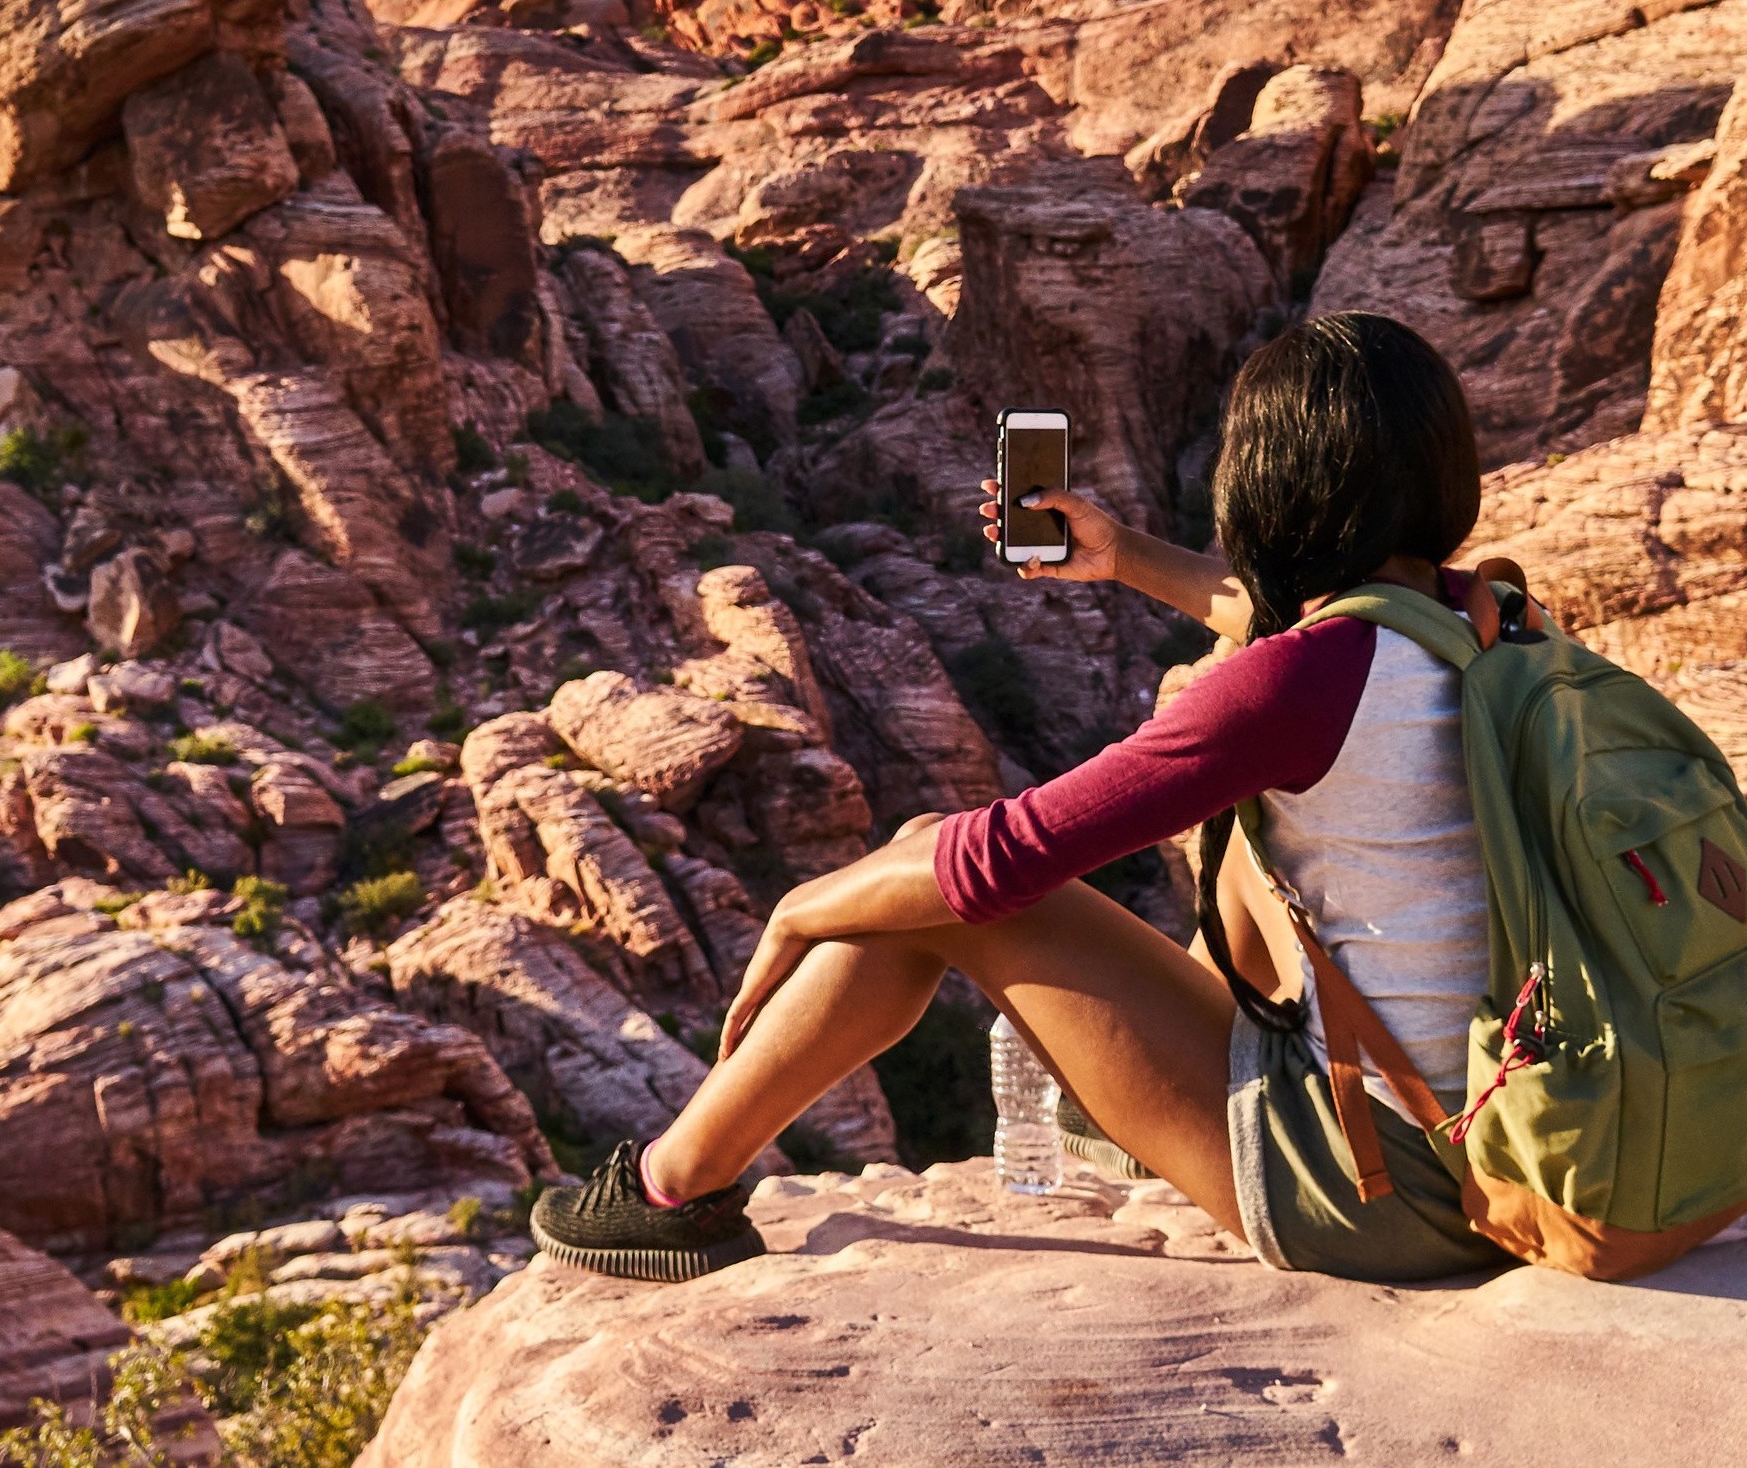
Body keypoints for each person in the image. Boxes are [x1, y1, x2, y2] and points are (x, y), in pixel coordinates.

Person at [527, 311, 1509, 1284]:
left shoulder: (1291, 685)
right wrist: (1119, 552)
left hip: (1377, 1194)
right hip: (1504, 1146)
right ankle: (1141, 1088)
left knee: (931, 876)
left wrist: (794, 912)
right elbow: (1281, 619)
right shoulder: (1491, 626)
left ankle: (667, 1191)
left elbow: (991, 862)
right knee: (1236, 840)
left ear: (1272, 480)